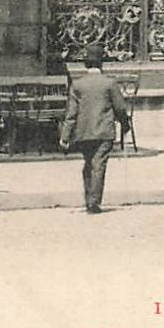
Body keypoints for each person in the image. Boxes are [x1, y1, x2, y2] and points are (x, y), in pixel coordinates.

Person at [59, 43, 130, 213]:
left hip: (83, 132)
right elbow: (120, 108)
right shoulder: (109, 84)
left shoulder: (77, 85)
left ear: (85, 64)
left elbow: (71, 113)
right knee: (99, 165)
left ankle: (89, 197)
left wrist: (65, 136)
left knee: (88, 164)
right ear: (101, 63)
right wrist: (125, 125)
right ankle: (94, 201)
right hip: (104, 131)